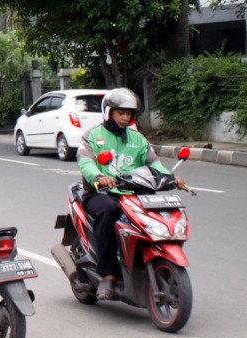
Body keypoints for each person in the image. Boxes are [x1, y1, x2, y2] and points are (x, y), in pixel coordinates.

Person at [77, 88, 182, 300]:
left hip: (133, 193)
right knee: (108, 212)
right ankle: (107, 274)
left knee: (157, 213)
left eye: (129, 114)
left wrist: (171, 177)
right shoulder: (92, 136)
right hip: (102, 194)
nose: (125, 118)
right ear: (109, 112)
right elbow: (86, 162)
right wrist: (98, 177)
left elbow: (154, 163)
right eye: (121, 113)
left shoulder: (138, 139)